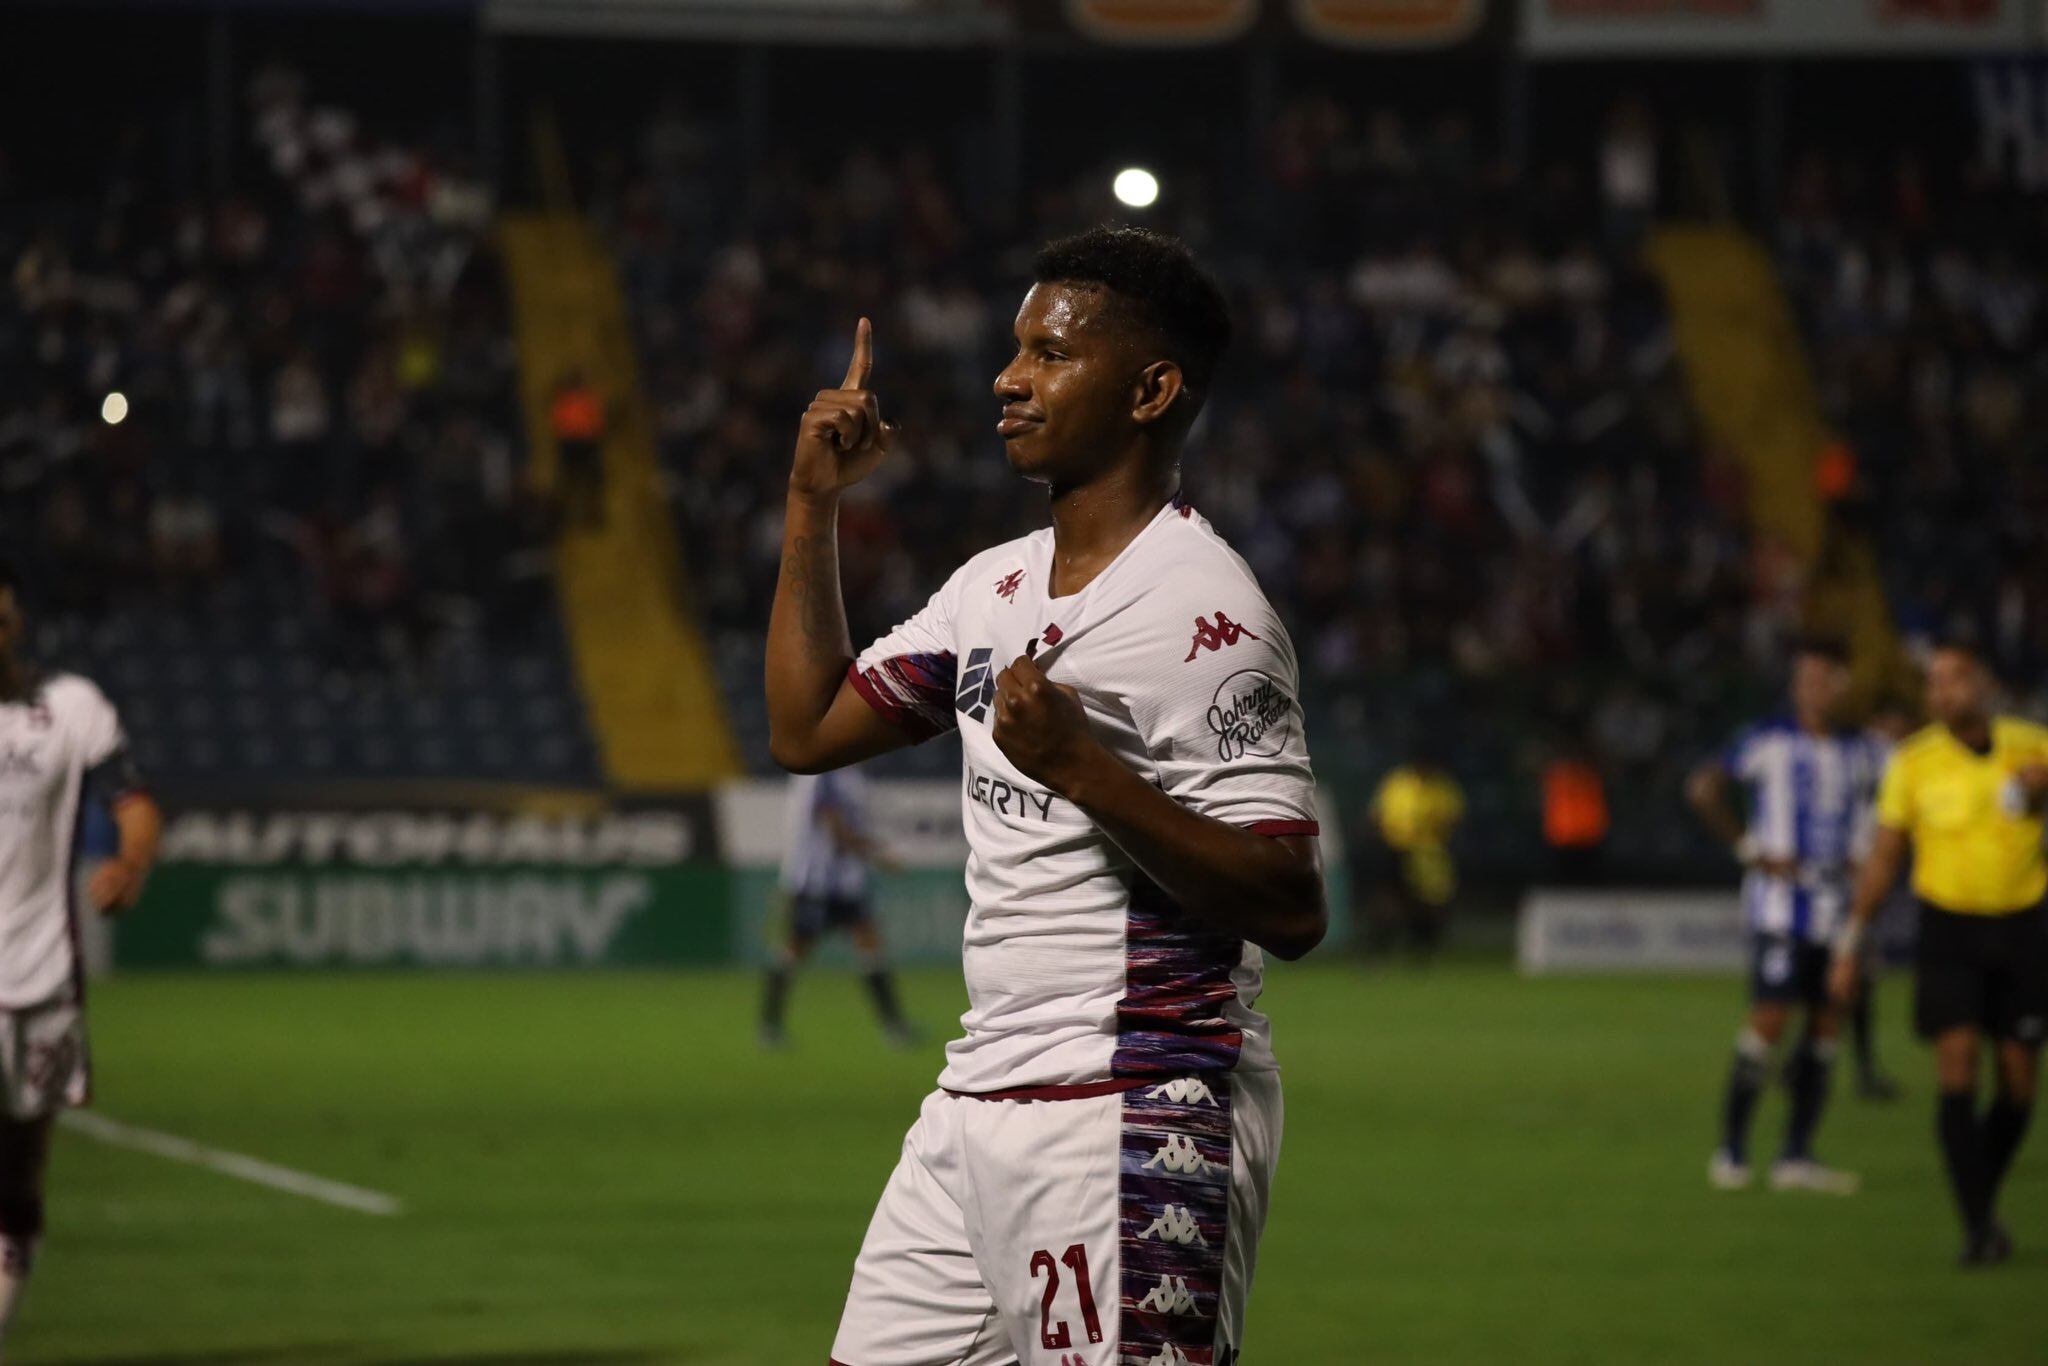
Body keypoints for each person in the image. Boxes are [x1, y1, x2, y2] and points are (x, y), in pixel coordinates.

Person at [765, 227, 1324, 1365]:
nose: (1006, 378)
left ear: (1150, 391)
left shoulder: (1205, 616)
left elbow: (1289, 899)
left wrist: (1081, 768)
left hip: (1136, 1105)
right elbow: (806, 727)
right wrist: (811, 502)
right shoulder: (994, 586)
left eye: (1050, 354)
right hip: (974, 1106)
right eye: (1016, 348)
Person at [1830, 641, 2048, 1266]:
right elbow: (1884, 857)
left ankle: (1981, 1199)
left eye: (1956, 678)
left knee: (2019, 1085)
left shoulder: (2032, 747)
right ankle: (1977, 1230)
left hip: (2023, 929)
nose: (1943, 691)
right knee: (1957, 1065)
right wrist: (1851, 941)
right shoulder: (1913, 762)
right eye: (1934, 682)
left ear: (1985, 684)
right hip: (1949, 932)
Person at [0, 560, 162, 1343]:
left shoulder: (72, 707)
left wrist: (130, 862)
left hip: (43, 983)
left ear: (15, 626)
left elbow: (134, 802)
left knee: (19, 1177)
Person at [1686, 639, 1881, 1195]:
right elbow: (1703, 789)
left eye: (1823, 680)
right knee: (1770, 1019)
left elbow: (1884, 814)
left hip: (1838, 910)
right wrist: (1751, 850)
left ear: (1842, 686)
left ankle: (1796, 1155)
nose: (1813, 690)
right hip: (1780, 909)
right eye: (1805, 681)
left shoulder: (1865, 751)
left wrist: (1865, 859)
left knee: (1825, 1027)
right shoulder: (1768, 740)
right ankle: (1732, 1150)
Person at [760, 766, 917, 1050]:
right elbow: (834, 827)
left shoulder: (850, 772)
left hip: (847, 882)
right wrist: (877, 854)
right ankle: (769, 1026)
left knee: (870, 945)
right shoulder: (823, 772)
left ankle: (894, 1026)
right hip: (816, 882)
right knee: (795, 950)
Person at [1367, 750, 1464, 962]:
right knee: (1388, 900)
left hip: (1430, 853)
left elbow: (1453, 818)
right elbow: (1377, 814)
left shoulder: (1441, 787)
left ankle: (1422, 946)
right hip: (1395, 849)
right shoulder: (1398, 782)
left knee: (1430, 902)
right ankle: (1378, 946)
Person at [1541, 741, 1609, 885]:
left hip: (1588, 839)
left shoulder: (1591, 774)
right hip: (1564, 839)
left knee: (1587, 882)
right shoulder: (1558, 774)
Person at [548, 369, 608, 530]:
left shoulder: (584, 400)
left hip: (584, 444)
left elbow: (597, 423)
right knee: (571, 482)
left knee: (590, 482)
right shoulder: (566, 402)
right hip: (573, 445)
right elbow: (559, 424)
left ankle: (591, 514)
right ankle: (566, 516)